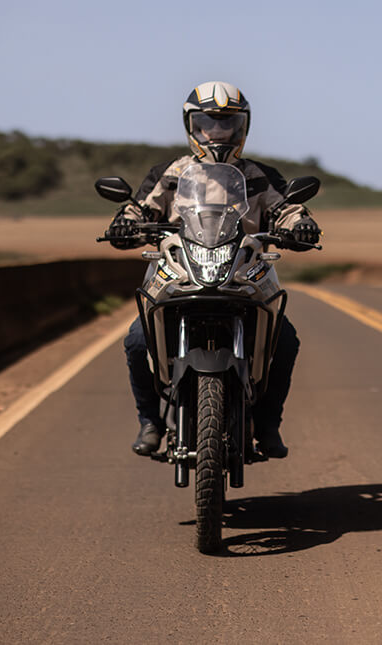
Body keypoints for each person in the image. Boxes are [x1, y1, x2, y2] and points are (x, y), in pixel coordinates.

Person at [105, 81, 321, 459]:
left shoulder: (259, 174)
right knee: (138, 340)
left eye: (227, 124)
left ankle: (268, 424)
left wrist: (299, 224)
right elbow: (140, 208)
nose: (217, 131)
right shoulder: (170, 172)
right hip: (180, 270)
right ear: (193, 125)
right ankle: (150, 421)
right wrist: (125, 222)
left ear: (242, 127)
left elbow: (288, 209)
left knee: (284, 338)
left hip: (244, 271)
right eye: (208, 122)